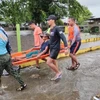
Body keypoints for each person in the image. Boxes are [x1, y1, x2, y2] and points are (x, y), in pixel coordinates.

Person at [0, 26, 26, 92]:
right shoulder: (3, 32)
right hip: (6, 55)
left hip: (1, 58)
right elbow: (8, 45)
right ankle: (23, 84)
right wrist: (9, 55)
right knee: (13, 72)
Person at [46, 15, 68, 81]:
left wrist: (66, 48)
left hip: (56, 48)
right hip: (52, 48)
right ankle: (57, 74)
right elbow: (52, 38)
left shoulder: (57, 28)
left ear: (53, 20)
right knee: (53, 60)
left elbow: (63, 37)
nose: (47, 21)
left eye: (49, 20)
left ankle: (58, 73)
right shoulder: (51, 29)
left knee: (48, 62)